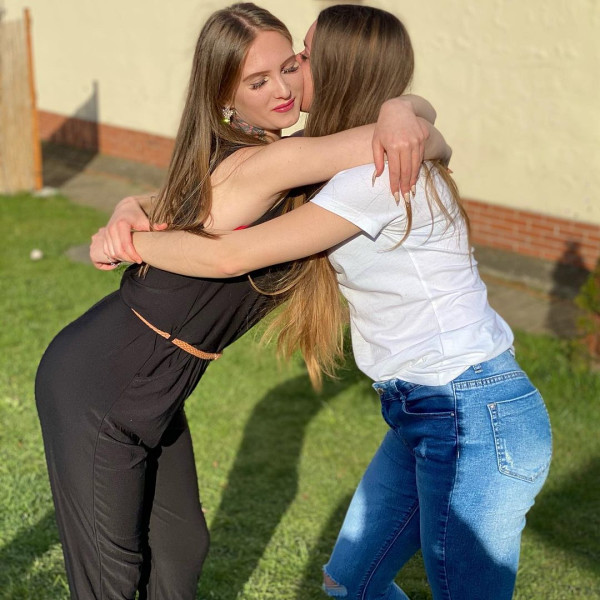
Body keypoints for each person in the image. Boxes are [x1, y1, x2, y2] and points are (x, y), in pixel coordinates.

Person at [94, 5, 553, 599]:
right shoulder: (358, 154)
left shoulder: (375, 178)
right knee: (350, 583)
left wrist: (132, 245)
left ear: (339, 70)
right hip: (427, 408)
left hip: (469, 410)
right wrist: (132, 205)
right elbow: (212, 195)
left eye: (303, 58)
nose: (292, 70)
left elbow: (230, 256)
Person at [37, 3, 447, 599]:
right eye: (258, 81)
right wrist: (403, 113)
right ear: (224, 95)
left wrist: (400, 108)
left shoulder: (270, 155)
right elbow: (422, 141)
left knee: (180, 548)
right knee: (112, 574)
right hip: (101, 380)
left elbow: (423, 136)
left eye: (289, 67)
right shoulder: (273, 161)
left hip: (156, 378)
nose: (282, 90)